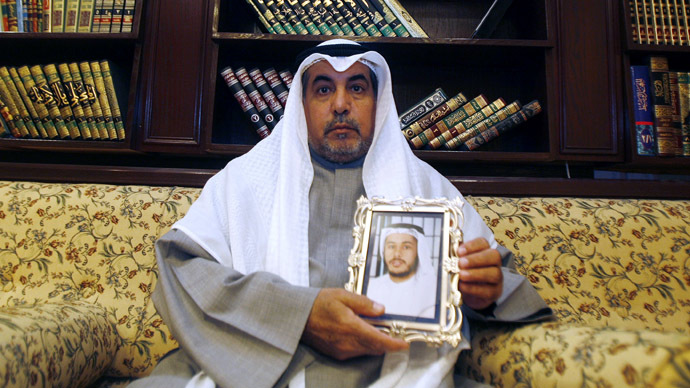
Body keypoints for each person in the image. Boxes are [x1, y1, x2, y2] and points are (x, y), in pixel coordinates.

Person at [128, 39, 552, 388]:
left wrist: (488, 288)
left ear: (378, 102)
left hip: (397, 371)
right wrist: (301, 316)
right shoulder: (244, 181)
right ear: (302, 104)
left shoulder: (427, 188)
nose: (341, 105)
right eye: (324, 89)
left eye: (358, 88)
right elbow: (182, 268)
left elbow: (504, 280)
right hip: (259, 366)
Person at [366, 223, 438, 319]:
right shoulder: (371, 287)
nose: (397, 254)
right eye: (391, 246)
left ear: (419, 252)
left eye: (406, 247)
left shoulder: (434, 289)